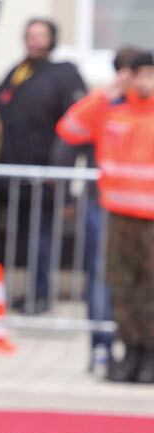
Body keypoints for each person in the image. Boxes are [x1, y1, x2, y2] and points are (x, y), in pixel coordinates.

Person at [57, 49, 154, 384]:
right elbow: (69, 128)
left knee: (151, 289)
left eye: (150, 74)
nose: (144, 81)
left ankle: (151, 356)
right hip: (118, 214)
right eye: (138, 73)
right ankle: (131, 351)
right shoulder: (112, 109)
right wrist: (104, 94)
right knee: (122, 287)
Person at [0, 18, 84, 313]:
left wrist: (63, 179)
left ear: (52, 39)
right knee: (22, 236)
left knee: (41, 237)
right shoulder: (19, 73)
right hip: (14, 175)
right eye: (30, 35)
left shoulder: (62, 75)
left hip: (45, 176)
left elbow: (73, 129)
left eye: (40, 35)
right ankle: (28, 294)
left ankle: (42, 295)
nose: (34, 41)